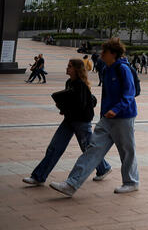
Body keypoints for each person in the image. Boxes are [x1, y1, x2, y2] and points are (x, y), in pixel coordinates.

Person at [49, 39, 139, 196]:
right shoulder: (106, 68)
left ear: (113, 53)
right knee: (92, 149)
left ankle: (131, 182)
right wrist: (105, 112)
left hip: (123, 117)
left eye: (104, 52)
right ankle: (71, 184)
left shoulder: (123, 69)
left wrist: (116, 110)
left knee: (126, 151)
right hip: (107, 118)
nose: (101, 54)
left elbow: (129, 93)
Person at [23, 59, 112, 187]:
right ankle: (38, 176)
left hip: (81, 121)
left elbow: (82, 104)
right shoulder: (69, 82)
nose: (67, 68)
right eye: (68, 66)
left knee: (88, 148)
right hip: (70, 120)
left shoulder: (81, 85)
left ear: (76, 69)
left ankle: (103, 168)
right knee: (55, 147)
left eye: (70, 66)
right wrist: (62, 107)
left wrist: (65, 105)